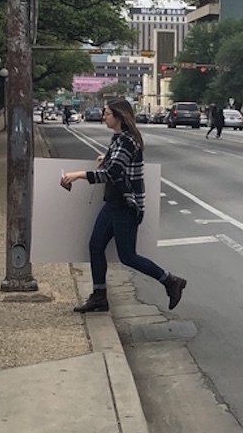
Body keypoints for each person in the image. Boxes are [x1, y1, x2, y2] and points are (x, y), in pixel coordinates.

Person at [60, 98, 187, 314]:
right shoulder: (119, 138)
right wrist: (106, 158)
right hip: (114, 202)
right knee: (95, 246)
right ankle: (99, 297)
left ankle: (170, 281)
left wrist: (78, 175)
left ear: (119, 116)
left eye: (107, 113)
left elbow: (112, 173)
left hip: (126, 205)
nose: (104, 117)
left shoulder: (128, 140)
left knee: (128, 256)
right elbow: (117, 164)